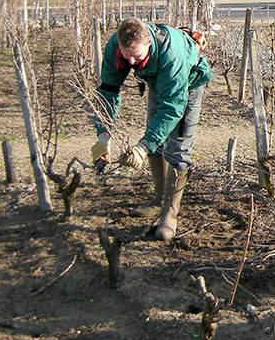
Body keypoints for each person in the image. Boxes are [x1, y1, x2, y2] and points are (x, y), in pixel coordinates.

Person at [91, 17, 213, 241]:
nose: (131, 63)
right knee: (154, 136)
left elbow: (172, 106)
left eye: (136, 57)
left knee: (178, 147)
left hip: (188, 81)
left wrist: (142, 147)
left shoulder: (170, 53)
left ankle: (170, 213)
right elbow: (108, 90)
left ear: (148, 42)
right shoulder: (116, 47)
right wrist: (103, 136)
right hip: (158, 80)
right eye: (127, 57)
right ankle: (159, 200)